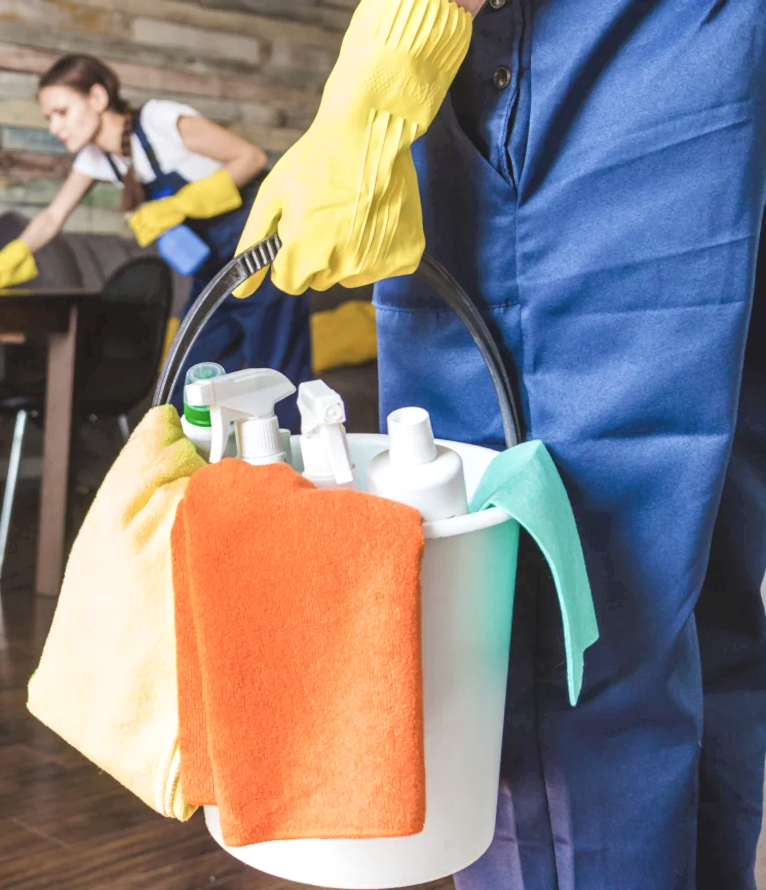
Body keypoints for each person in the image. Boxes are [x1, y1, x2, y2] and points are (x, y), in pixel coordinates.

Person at [233, 0, 766, 885]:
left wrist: (381, 73)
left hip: (590, 66)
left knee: (557, 629)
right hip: (722, 75)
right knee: (696, 589)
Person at [0, 54, 314, 425]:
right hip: (213, 272)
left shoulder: (159, 121)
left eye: (62, 112)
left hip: (258, 256)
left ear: (97, 97)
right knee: (189, 381)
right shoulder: (99, 159)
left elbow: (250, 157)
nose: (54, 127)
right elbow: (51, 217)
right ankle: (192, 469)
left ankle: (296, 467)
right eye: (49, 118)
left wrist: (179, 205)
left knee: (278, 375)